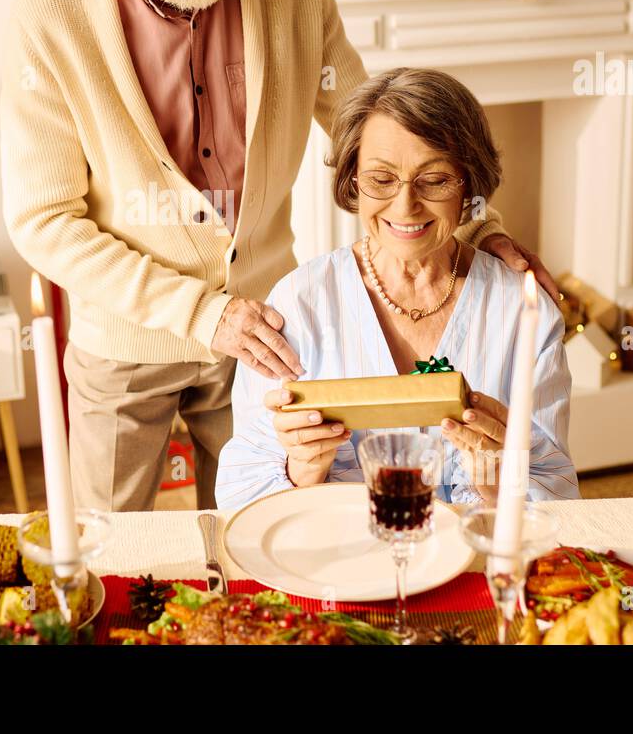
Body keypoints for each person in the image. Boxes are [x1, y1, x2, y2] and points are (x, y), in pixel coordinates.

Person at [0, 0, 558, 512]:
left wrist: (480, 225)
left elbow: (373, 129)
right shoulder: (48, 14)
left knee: (258, 528)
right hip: (127, 338)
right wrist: (201, 313)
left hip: (267, 332)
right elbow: (45, 220)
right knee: (113, 551)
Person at [215, 68, 579, 510]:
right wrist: (302, 468)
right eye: (381, 179)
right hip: (340, 560)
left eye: (435, 179)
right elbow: (239, 496)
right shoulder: (298, 304)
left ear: (469, 185)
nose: (405, 206)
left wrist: (496, 475)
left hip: (474, 557)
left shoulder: (520, 311)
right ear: (352, 180)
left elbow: (558, 497)